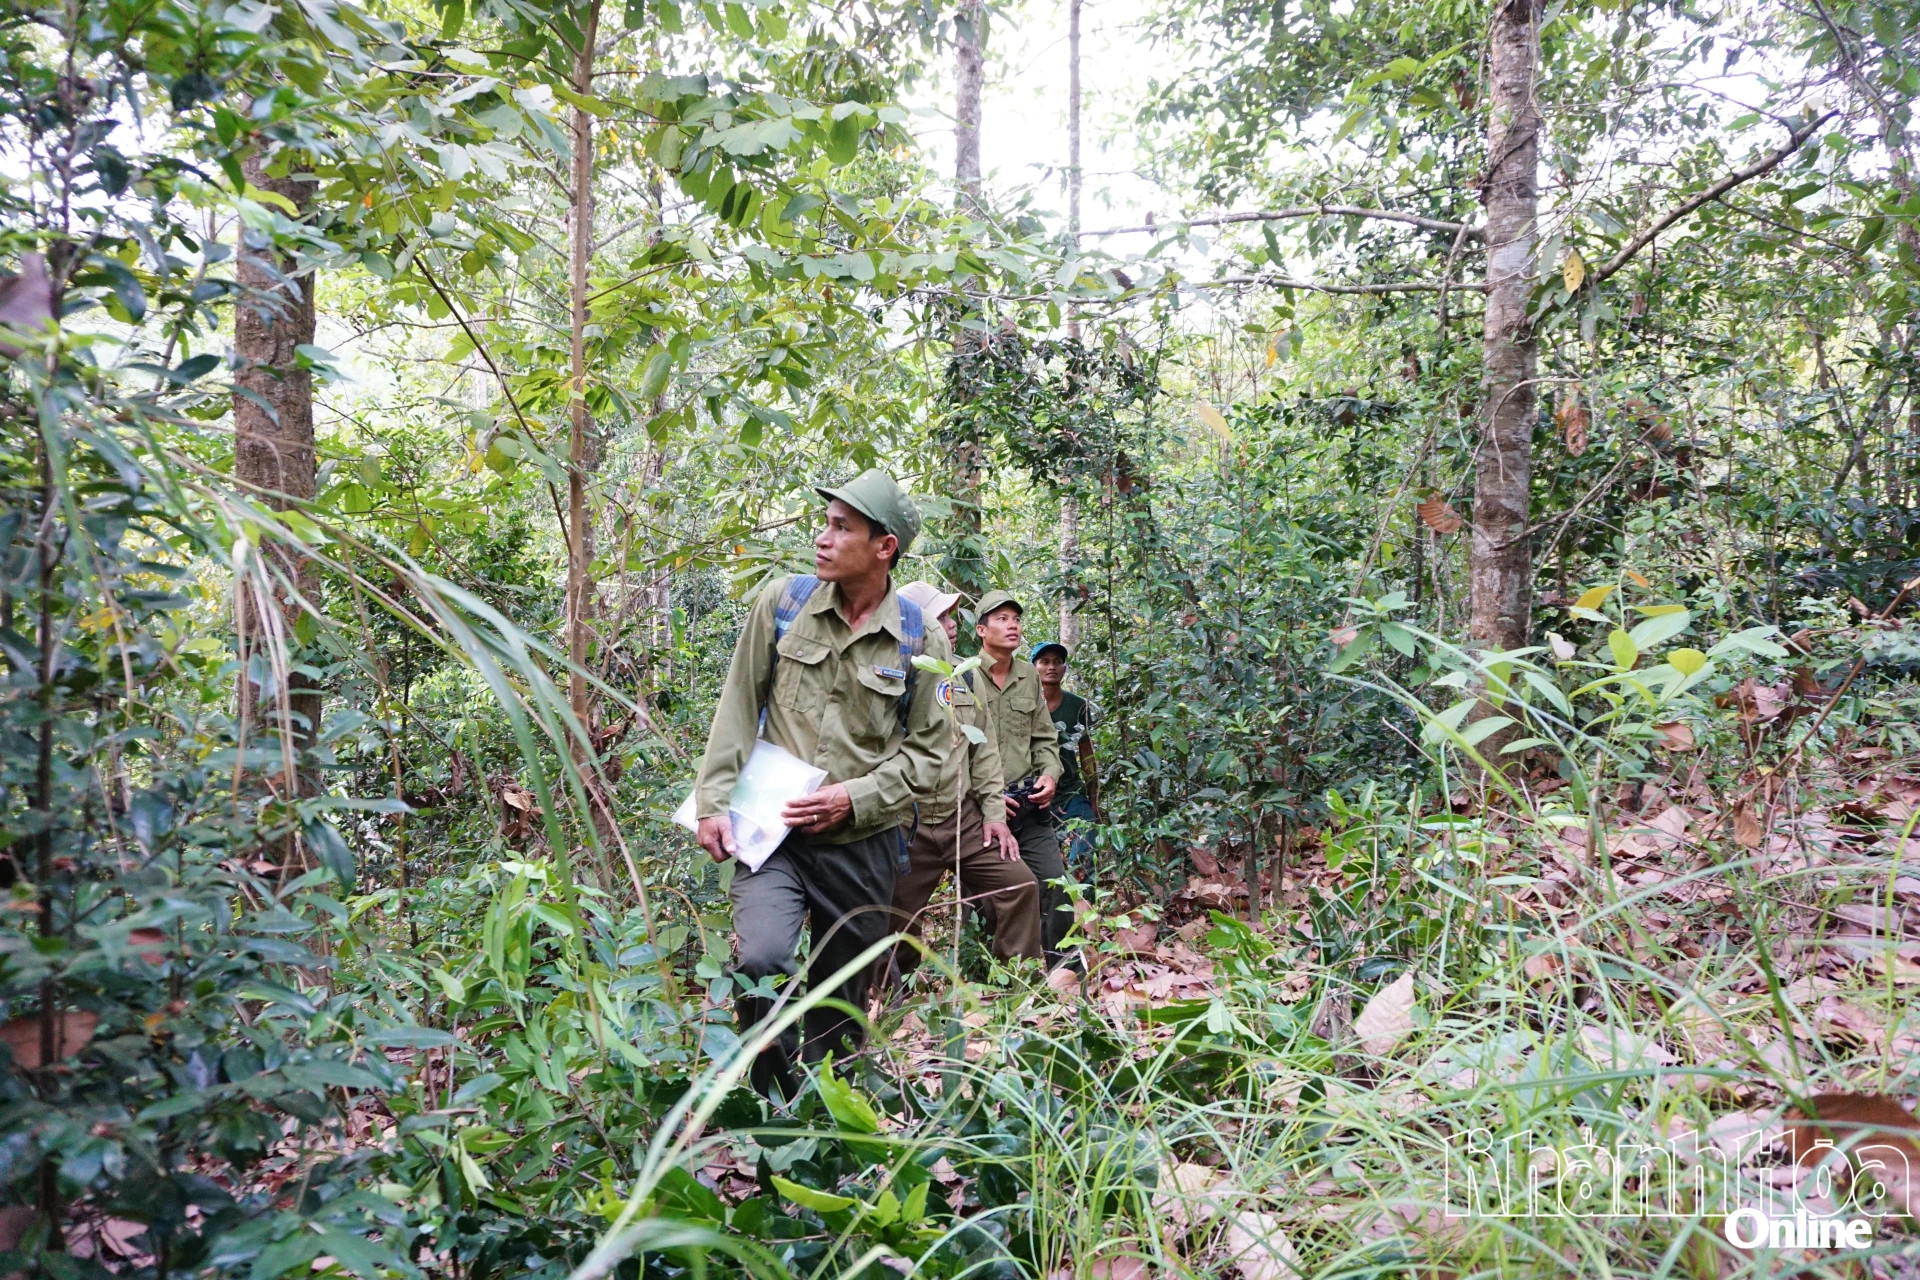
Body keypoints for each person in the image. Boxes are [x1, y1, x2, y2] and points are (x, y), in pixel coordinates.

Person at [692, 470, 949, 1098]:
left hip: (863, 845)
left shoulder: (923, 637)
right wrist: (711, 802)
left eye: (842, 527)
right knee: (761, 960)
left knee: (840, 997)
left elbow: (930, 754)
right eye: (825, 523)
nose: (823, 537)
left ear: (884, 547)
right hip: (771, 833)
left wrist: (853, 798)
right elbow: (737, 704)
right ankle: (767, 1094)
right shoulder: (782, 603)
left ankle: (815, 1121)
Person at [888, 583, 1041, 978]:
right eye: (940, 618)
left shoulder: (964, 678)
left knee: (1018, 884)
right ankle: (890, 1003)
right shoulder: (889, 677)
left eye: (951, 616)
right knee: (894, 921)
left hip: (963, 818)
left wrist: (994, 815)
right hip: (907, 823)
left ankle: (1019, 987)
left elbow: (984, 751)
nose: (952, 625)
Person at [972, 591, 1072, 963]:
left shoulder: (1028, 675)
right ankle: (994, 973)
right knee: (992, 898)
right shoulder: (964, 677)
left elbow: (1044, 737)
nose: (1012, 624)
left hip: (1028, 806)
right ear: (981, 630)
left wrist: (1049, 773)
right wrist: (987, 801)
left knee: (1055, 883)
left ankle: (1061, 968)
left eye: (1016, 618)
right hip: (982, 812)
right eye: (1002, 619)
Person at [1031, 640, 1100, 877]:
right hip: (1031, 792)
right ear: (1034, 667)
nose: (1051, 667)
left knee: (1087, 832)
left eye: (1057, 662)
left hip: (1069, 790)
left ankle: (1081, 898)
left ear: (1064, 669)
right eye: (1045, 662)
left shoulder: (1078, 706)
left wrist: (1094, 796)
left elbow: (1086, 753)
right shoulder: (1025, 704)